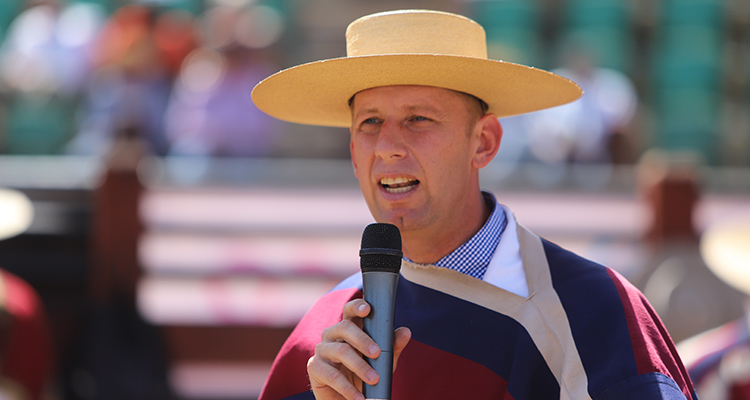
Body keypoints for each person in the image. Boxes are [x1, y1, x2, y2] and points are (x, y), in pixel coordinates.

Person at [251, 9, 697, 400]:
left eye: (418, 119)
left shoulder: (591, 311)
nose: (386, 146)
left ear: (483, 142)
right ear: (352, 153)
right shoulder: (322, 337)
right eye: (370, 122)